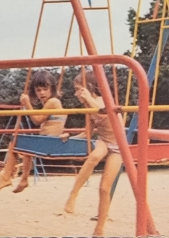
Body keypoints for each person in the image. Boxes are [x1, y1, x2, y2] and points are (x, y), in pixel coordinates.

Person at [61, 71, 123, 237]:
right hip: (104, 141)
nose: (76, 94)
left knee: (104, 188)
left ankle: (99, 230)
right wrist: (69, 136)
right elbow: (87, 133)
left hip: (118, 145)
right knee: (94, 156)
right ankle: (73, 195)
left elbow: (103, 111)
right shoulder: (88, 108)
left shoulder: (102, 100)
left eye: (78, 89)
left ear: (88, 88)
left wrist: (88, 97)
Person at [0, 70, 66, 194]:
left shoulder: (53, 102)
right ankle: (22, 179)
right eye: (38, 90)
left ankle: (6, 176)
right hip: (49, 141)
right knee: (26, 149)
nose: (42, 93)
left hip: (50, 143)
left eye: (45, 89)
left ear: (52, 89)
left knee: (15, 141)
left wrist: (27, 104)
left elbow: (37, 120)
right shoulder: (50, 103)